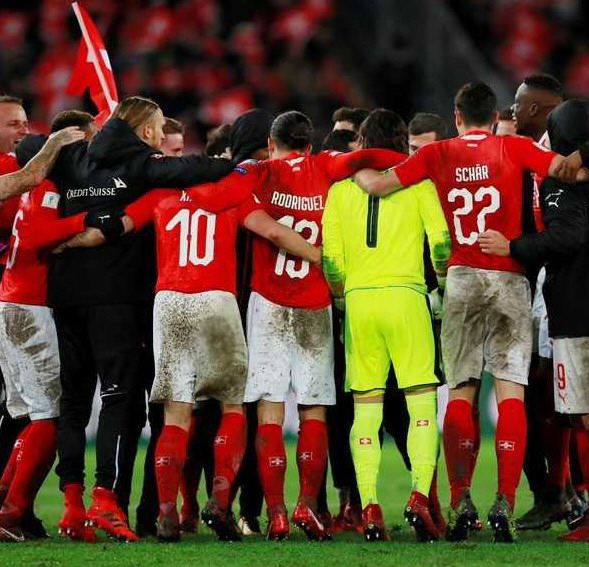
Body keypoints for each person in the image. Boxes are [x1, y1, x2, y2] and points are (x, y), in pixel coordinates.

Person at [353, 82, 570, 543]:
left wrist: (348, 166)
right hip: (509, 276)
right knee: (510, 394)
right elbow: (563, 169)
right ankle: (505, 501)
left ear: (456, 118)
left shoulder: (437, 154)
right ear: (494, 117)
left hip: (462, 278)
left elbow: (377, 185)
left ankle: (461, 500)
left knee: (460, 393)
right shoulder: (514, 147)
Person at [15, 95, 234, 542]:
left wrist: (54, 143)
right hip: (116, 299)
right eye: (157, 127)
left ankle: (71, 508)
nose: (160, 134)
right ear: (146, 131)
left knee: (73, 404)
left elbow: (25, 151)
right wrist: (240, 163)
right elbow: (198, 169)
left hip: (65, 296)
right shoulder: (141, 164)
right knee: (118, 397)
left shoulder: (73, 156)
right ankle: (105, 501)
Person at [185, 110, 406, 541]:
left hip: (267, 304)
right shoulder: (327, 165)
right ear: (308, 144)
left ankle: (277, 513)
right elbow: (370, 157)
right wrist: (419, 158)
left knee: (269, 410)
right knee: (313, 410)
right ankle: (308, 504)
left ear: (272, 144)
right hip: (314, 304)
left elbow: (223, 204)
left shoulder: (259, 173)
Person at [322, 109, 450, 542]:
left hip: (360, 302)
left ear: (361, 142)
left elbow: (331, 260)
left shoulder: (339, 190)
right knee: (421, 405)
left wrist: (343, 299)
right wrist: (442, 288)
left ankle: (370, 506)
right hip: (408, 298)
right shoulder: (419, 183)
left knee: (366, 408)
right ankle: (419, 497)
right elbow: (441, 243)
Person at [477, 99, 589, 543]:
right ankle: (560, 495)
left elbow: (567, 236)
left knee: (581, 414)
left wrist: (514, 247)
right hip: (571, 303)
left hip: (576, 309)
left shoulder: (559, 184)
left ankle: (575, 505)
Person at [0, 110, 95, 543]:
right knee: (50, 416)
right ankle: (11, 512)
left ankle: (6, 501)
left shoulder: (29, 191)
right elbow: (39, 237)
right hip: (29, 307)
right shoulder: (48, 188)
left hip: (13, 301)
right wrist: (85, 221)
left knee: (34, 416)